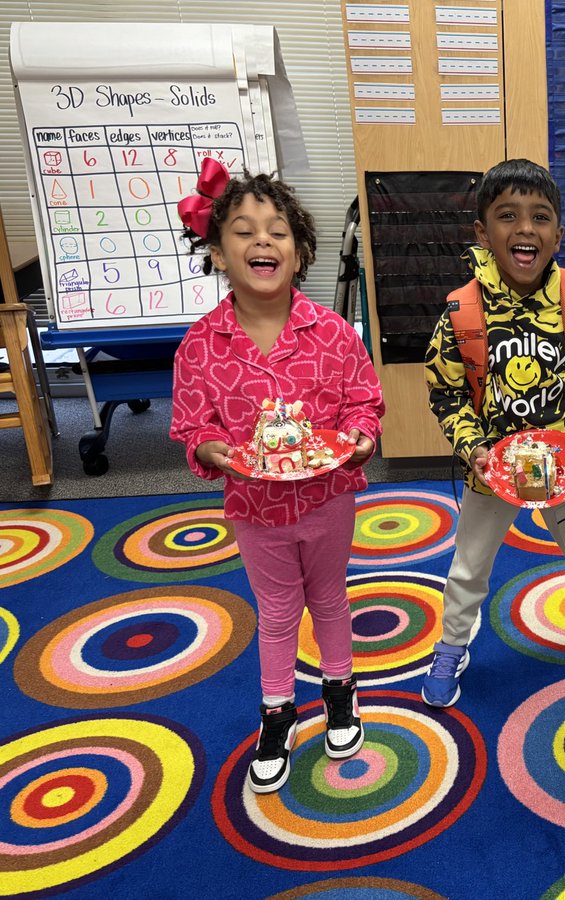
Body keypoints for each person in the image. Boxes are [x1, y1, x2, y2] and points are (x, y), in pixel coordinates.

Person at [170, 160, 384, 794]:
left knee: (331, 599)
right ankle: (276, 710)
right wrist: (216, 452)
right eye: (242, 230)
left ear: (299, 253)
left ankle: (339, 687)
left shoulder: (335, 333)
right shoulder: (200, 345)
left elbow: (363, 403)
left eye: (278, 231)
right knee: (276, 611)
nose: (262, 240)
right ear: (216, 252)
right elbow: (192, 425)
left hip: (327, 495)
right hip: (254, 507)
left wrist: (361, 439)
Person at [421, 158, 565, 708]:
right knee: (468, 567)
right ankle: (454, 643)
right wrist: (471, 446)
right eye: (507, 216)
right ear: (483, 232)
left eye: (540, 217)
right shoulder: (461, 310)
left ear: (557, 235)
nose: (525, 229)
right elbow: (447, 391)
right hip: (491, 474)